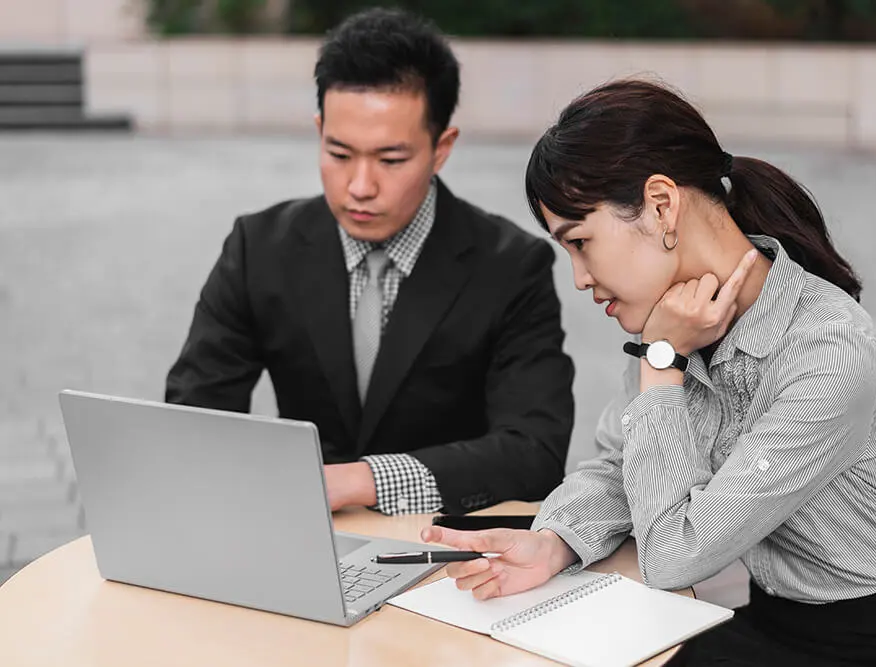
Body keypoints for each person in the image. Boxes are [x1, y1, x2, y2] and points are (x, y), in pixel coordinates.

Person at [421, 79, 876, 666]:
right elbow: (624, 466)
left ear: (662, 205)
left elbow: (675, 556)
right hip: (780, 625)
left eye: (582, 241)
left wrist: (662, 362)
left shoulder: (828, 345)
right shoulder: (672, 322)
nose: (579, 278)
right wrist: (553, 542)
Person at [165, 8, 574, 517]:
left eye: (390, 160)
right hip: (304, 531)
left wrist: (362, 481)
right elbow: (194, 417)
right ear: (319, 130)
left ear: (441, 148)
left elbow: (535, 451)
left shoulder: (511, 266)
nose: (360, 186)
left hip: (449, 547)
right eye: (339, 154)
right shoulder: (259, 248)